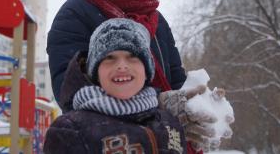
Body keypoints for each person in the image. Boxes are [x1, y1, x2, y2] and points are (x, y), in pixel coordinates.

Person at [47, 0, 216, 152]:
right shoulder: (76, 12)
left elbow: (175, 76)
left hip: (162, 134)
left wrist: (194, 108)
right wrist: (156, 101)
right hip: (105, 138)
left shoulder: (156, 17)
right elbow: (68, 86)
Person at [44, 18, 188, 153]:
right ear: (96, 73)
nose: (122, 66)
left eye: (133, 57)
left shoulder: (169, 122)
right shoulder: (69, 130)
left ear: (146, 71)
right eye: (109, 58)